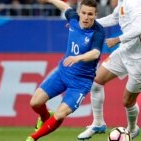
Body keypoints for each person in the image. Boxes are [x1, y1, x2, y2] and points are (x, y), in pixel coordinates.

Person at [78, 0, 141, 140]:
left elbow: (140, 29)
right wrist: (89, 24)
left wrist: (117, 39)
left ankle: (132, 129)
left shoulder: (134, 2)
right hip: (126, 51)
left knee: (127, 101)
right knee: (96, 80)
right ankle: (98, 122)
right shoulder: (122, 2)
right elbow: (114, 18)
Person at [25, 0, 105, 141]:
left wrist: (78, 58)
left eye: (90, 14)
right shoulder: (73, 19)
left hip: (81, 83)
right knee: (35, 103)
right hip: (63, 73)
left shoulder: (98, 32)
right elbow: (64, 6)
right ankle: (44, 116)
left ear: (95, 15)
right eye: (84, 13)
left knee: (60, 114)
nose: (86, 17)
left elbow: (95, 53)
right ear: (79, 12)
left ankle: (33, 138)